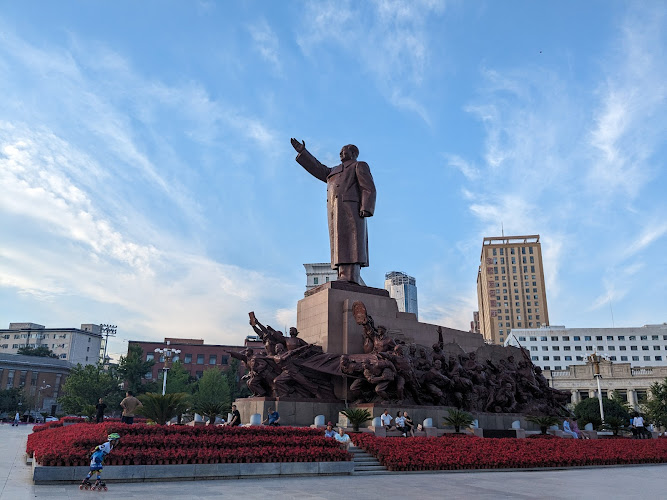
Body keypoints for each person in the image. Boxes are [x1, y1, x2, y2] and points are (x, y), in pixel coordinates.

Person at [291, 138, 377, 285]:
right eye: (340, 152)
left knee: (352, 242)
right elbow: (318, 168)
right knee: (339, 243)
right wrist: (303, 152)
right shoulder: (334, 171)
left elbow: (368, 187)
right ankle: (342, 274)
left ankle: (351, 276)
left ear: (353, 153)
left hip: (352, 209)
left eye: (344, 151)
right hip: (336, 211)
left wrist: (365, 207)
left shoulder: (359, 166)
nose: (340, 154)